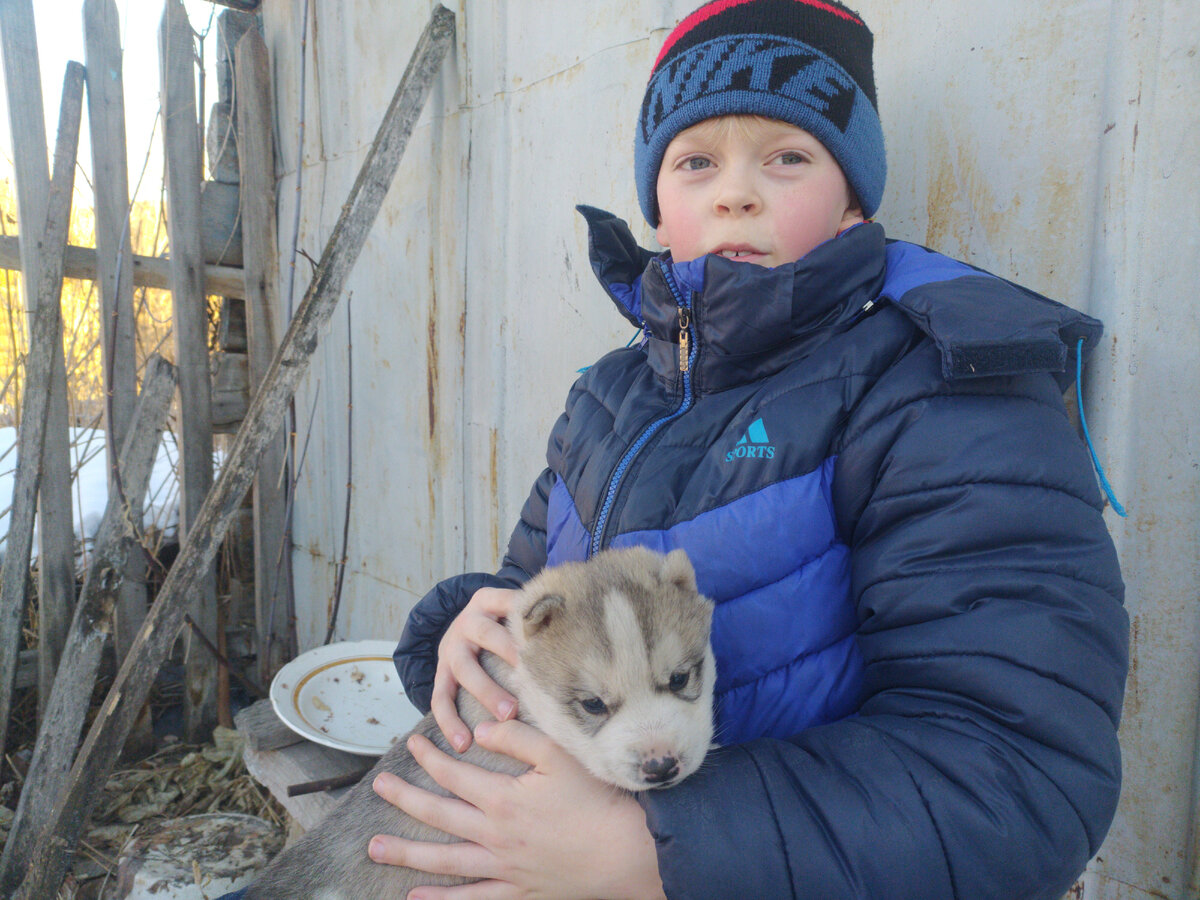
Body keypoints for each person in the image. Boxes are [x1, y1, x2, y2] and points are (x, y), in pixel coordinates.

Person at [372, 1, 1130, 898]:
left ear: (853, 205)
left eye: (787, 156)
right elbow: (535, 590)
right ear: (658, 208)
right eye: (696, 161)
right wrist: (469, 627)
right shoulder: (607, 400)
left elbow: (1015, 776)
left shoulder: (942, 387)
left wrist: (655, 851)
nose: (736, 191)